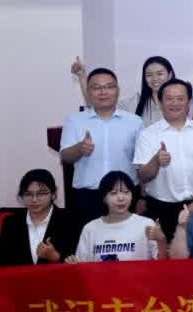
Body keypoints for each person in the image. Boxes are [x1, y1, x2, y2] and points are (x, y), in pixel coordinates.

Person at [60, 68, 144, 228]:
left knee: (127, 240)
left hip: (125, 195)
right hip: (88, 197)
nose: (103, 92)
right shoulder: (74, 121)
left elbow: (141, 162)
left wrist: (142, 197)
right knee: (89, 241)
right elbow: (65, 156)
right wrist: (80, 148)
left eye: (109, 87)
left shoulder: (135, 122)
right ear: (88, 91)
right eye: (96, 87)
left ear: (118, 90)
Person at [134, 78, 193, 241]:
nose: (175, 103)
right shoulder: (147, 134)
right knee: (163, 253)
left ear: (189, 102)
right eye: (169, 98)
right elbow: (143, 176)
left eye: (180, 98)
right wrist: (156, 161)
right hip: (161, 207)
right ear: (160, 102)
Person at [0, 170, 79, 284]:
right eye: (28, 194)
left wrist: (55, 257)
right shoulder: (11, 223)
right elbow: (4, 264)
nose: (34, 199)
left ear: (53, 194)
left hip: (58, 286)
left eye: (41, 193)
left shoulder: (69, 220)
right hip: (21, 287)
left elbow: (77, 265)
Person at [69, 170, 167, 263]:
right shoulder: (90, 229)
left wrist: (161, 240)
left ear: (132, 195)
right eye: (113, 193)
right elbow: (81, 266)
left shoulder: (146, 224)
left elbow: (162, 265)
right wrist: (73, 263)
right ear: (104, 198)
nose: (121, 198)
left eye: (126, 192)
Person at [72, 56, 175, 127]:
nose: (155, 78)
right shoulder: (134, 102)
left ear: (170, 75)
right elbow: (97, 106)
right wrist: (82, 76)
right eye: (149, 75)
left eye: (160, 74)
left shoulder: (181, 102)